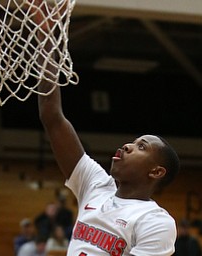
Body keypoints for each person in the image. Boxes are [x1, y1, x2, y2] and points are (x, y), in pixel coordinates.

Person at [28, 1, 181, 255]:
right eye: (133, 142)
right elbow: (51, 116)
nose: (127, 146)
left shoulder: (155, 221)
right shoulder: (96, 185)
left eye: (141, 146)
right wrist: (46, 36)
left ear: (156, 171)